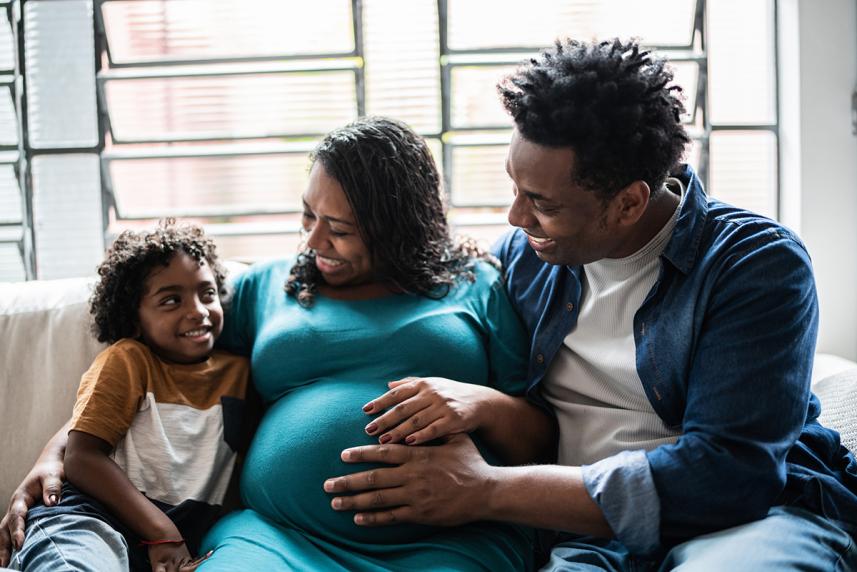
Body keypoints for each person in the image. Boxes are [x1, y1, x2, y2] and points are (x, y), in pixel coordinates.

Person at [318, 39, 857, 570]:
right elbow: (424, 277)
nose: (515, 218)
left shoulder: (753, 264)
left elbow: (729, 477)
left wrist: (485, 489)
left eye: (542, 203)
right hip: (585, 535)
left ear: (628, 204)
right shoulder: (524, 258)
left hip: (754, 521)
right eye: (514, 186)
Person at [1, 117, 554, 571]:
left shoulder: (476, 285)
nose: (312, 242)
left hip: (448, 540)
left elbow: (542, 438)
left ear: (397, 227)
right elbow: (146, 364)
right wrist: (59, 452)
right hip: (277, 539)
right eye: (308, 215)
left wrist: (480, 404)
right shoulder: (267, 287)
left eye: (339, 228)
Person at [8, 222, 249, 572]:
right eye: (170, 300)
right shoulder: (128, 360)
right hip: (87, 519)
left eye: (207, 294)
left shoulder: (239, 374)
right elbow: (82, 457)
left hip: (163, 545)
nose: (197, 310)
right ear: (134, 318)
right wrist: (163, 532)